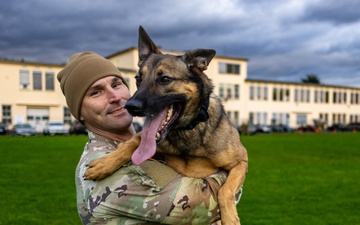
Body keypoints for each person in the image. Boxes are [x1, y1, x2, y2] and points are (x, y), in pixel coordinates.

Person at [57, 51, 240, 224]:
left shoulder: (159, 138)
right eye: (96, 92)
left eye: (116, 84)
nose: (115, 97)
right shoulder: (101, 166)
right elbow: (200, 205)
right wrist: (228, 169)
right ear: (78, 112)